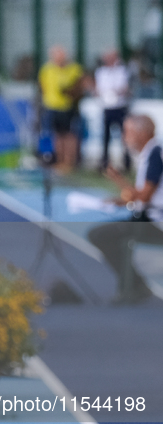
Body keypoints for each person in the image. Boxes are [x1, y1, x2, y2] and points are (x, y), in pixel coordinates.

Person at [88, 114, 163, 303]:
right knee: (103, 234)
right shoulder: (151, 153)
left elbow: (145, 196)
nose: (124, 137)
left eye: (128, 131)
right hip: (150, 216)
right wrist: (120, 200)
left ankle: (133, 286)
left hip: (154, 221)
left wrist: (118, 181)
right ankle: (134, 284)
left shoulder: (155, 155)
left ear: (142, 132)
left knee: (101, 235)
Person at [38, 45, 85, 173]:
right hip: (52, 106)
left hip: (68, 107)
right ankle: (59, 160)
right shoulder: (47, 69)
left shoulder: (74, 69)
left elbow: (79, 86)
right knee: (57, 135)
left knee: (70, 135)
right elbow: (43, 86)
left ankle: (69, 161)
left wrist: (70, 93)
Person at [93, 49, 131, 171]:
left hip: (120, 107)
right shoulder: (101, 72)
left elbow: (125, 88)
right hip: (107, 107)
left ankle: (126, 162)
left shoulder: (122, 71)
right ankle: (104, 162)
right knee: (106, 137)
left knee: (124, 136)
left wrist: (115, 92)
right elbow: (98, 88)